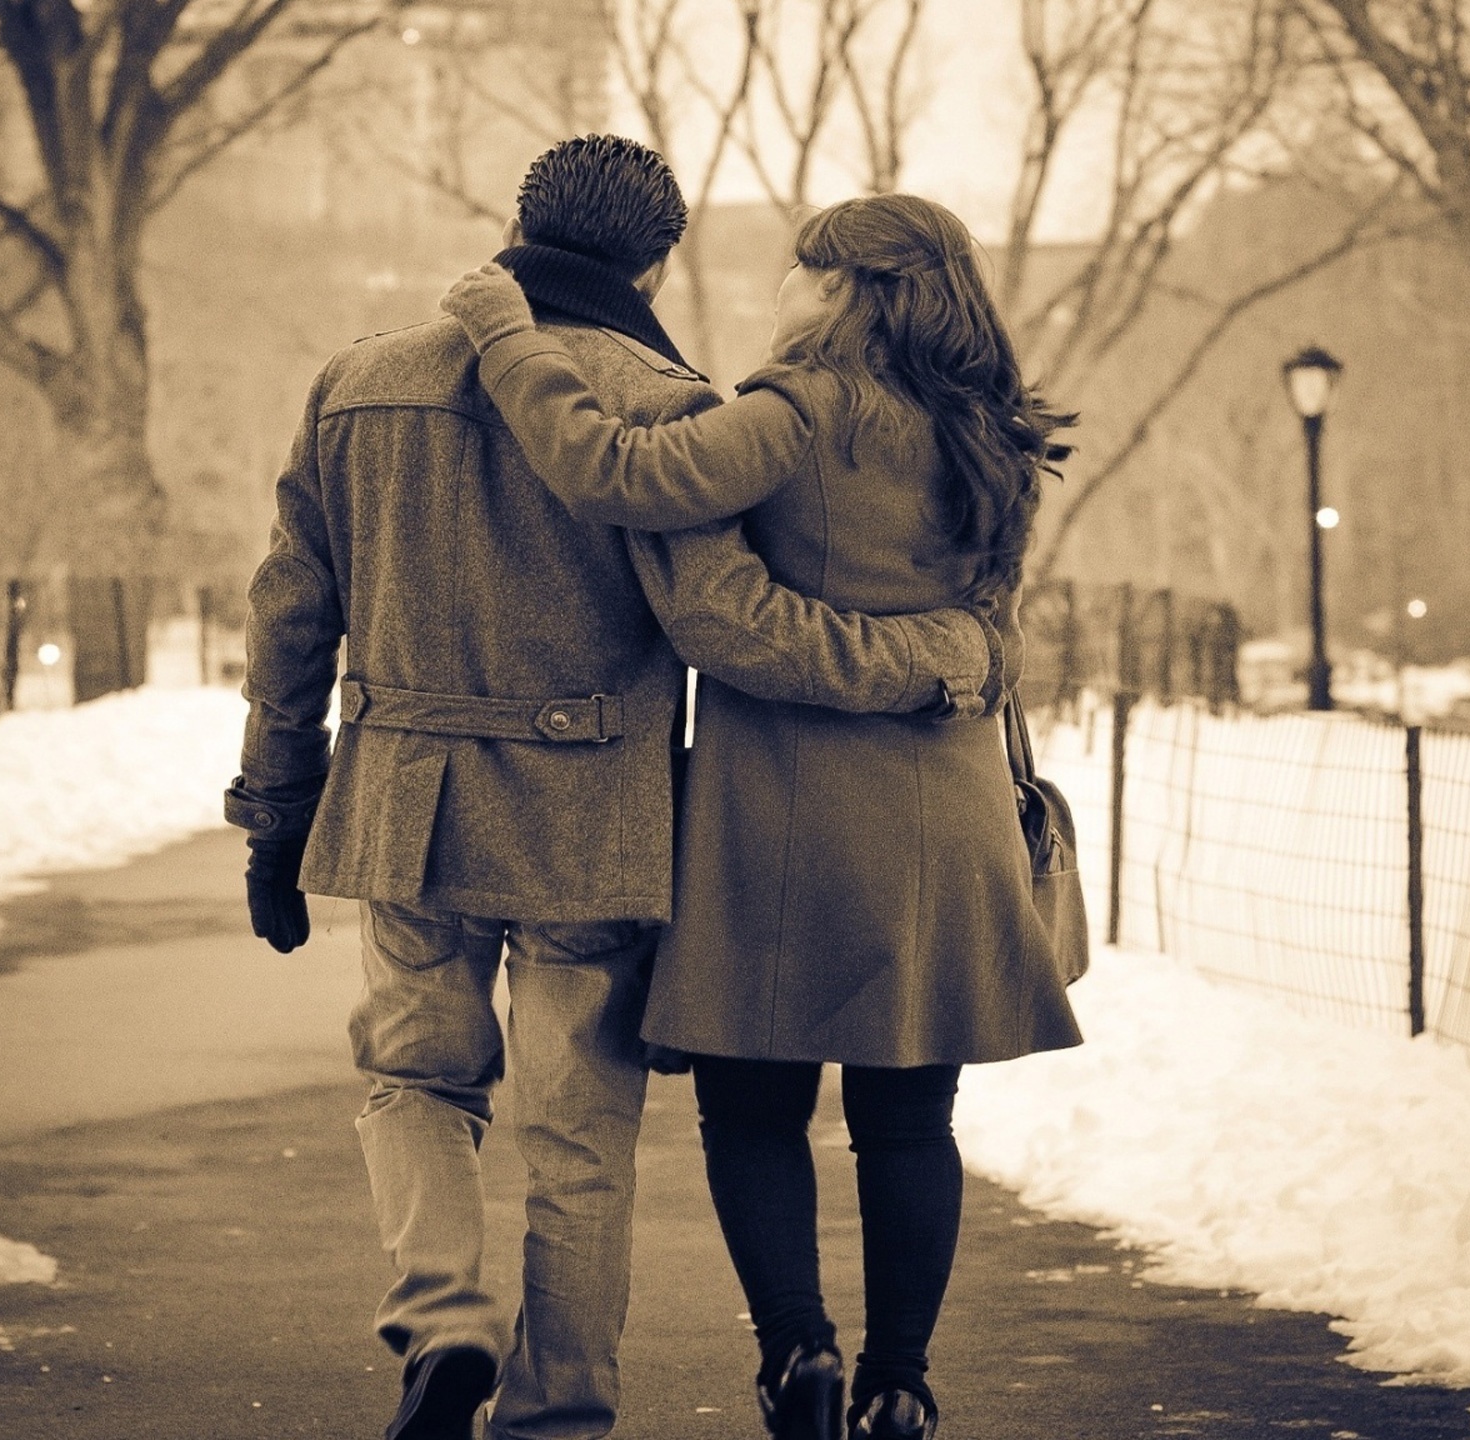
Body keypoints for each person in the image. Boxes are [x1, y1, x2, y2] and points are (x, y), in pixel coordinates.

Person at [227, 138, 1005, 1440]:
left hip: (405, 801)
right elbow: (731, 628)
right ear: (656, 261)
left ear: (519, 225)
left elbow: (290, 619)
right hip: (591, 817)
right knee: (580, 1146)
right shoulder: (671, 401)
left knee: (415, 1079)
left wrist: (274, 811)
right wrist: (941, 657)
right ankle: (557, 1413)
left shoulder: (356, 385)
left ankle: (443, 1316)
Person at [442, 192, 1084, 1440]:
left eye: (801, 266)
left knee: (752, 1111)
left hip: (781, 817)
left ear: (845, 288)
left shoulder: (796, 412)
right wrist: (944, 654)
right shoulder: (988, 427)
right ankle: (901, 1383)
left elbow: (613, 470)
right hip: (942, 811)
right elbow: (988, 622)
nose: (784, 285)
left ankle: (799, 1355)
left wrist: (506, 336)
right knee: (910, 1119)